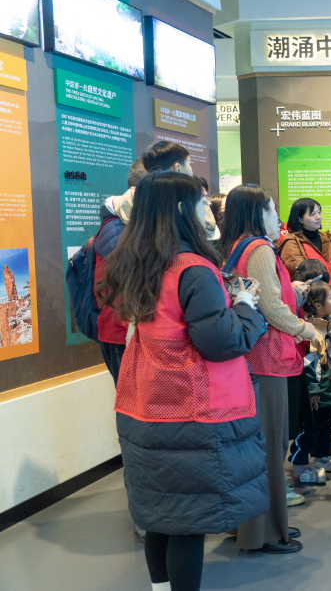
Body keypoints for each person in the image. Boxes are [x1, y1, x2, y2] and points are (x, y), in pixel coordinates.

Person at [98, 172, 267, 591]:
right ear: (180, 209)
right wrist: (246, 306)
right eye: (202, 201)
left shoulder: (136, 261)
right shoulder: (193, 268)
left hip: (144, 404)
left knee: (161, 516)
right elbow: (222, 342)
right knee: (189, 523)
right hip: (193, 411)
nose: (209, 209)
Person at [219, 184, 317, 553]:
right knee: (270, 448)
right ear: (257, 213)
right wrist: (306, 329)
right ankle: (267, 532)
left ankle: (247, 527)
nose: (278, 217)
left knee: (253, 447)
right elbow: (272, 308)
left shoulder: (237, 246)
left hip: (250, 358)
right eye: (273, 209)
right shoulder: (259, 248)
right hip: (268, 358)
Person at [91, 157, 145, 384]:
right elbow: (128, 283)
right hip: (120, 331)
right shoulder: (116, 229)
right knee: (129, 397)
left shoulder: (128, 225)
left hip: (130, 327)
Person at [289, 280, 331, 485]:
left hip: (330, 389)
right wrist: (312, 391)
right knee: (310, 428)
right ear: (318, 305)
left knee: (327, 424)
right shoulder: (311, 330)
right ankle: (299, 465)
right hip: (318, 391)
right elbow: (310, 362)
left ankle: (323, 458)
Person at [277, 197, 331, 283]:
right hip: (312, 290)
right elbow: (302, 274)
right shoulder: (292, 242)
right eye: (312, 214)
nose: (318, 217)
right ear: (300, 219)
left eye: (319, 212)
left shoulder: (326, 237)